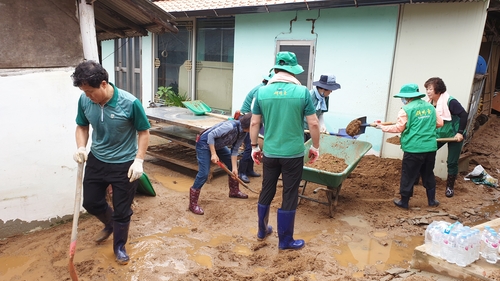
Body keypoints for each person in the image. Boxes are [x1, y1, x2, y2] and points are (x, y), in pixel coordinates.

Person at [71, 60, 151, 265]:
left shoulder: (130, 103)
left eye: (90, 91)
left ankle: (119, 246)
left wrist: (139, 160)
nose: (88, 96)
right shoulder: (85, 101)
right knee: (90, 202)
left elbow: (144, 132)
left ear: (104, 84)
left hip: (124, 163)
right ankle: (110, 223)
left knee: (123, 210)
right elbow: (82, 126)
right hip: (97, 159)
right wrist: (81, 147)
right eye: (84, 91)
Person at [250, 51, 320, 250]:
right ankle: (285, 240)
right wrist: (315, 147)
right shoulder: (302, 92)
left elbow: (255, 122)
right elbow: (313, 123)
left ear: (276, 70)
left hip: (270, 153)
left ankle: (262, 231)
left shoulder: (262, 92)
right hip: (293, 154)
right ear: (293, 71)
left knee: (267, 189)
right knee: (289, 193)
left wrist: (254, 147)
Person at [375, 83, 443, 209]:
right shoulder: (430, 107)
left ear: (407, 97)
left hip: (413, 148)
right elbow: (440, 123)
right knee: (428, 174)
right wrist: (425, 126)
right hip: (430, 148)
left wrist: (382, 127)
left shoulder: (405, 110)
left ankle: (404, 202)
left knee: (408, 175)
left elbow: (399, 128)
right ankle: (432, 201)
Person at [188, 114, 252, 215]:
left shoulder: (244, 132)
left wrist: (234, 168)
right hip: (204, 143)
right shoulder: (230, 126)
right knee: (204, 173)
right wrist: (213, 154)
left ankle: (234, 191)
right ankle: (193, 204)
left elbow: (235, 150)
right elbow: (211, 136)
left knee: (233, 165)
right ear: (250, 125)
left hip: (218, 145)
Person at [424, 77, 468, 198]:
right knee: (425, 153)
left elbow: (464, 115)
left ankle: (449, 187)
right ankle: (422, 178)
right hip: (440, 133)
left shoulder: (450, 101)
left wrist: (460, 133)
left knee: (452, 161)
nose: (428, 91)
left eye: (430, 89)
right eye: (427, 89)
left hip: (454, 134)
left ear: (438, 90)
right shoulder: (428, 103)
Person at [237, 72, 274, 183]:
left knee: (254, 145)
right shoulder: (260, 91)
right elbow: (255, 111)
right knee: (249, 147)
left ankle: (249, 170)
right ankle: (241, 172)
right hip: (248, 120)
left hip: (254, 119)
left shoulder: (265, 90)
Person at [304, 74, 341, 141]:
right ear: (323, 89)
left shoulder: (325, 98)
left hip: (313, 129)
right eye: (330, 90)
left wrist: (322, 125)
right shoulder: (309, 96)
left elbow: (320, 113)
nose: (331, 92)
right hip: (303, 129)